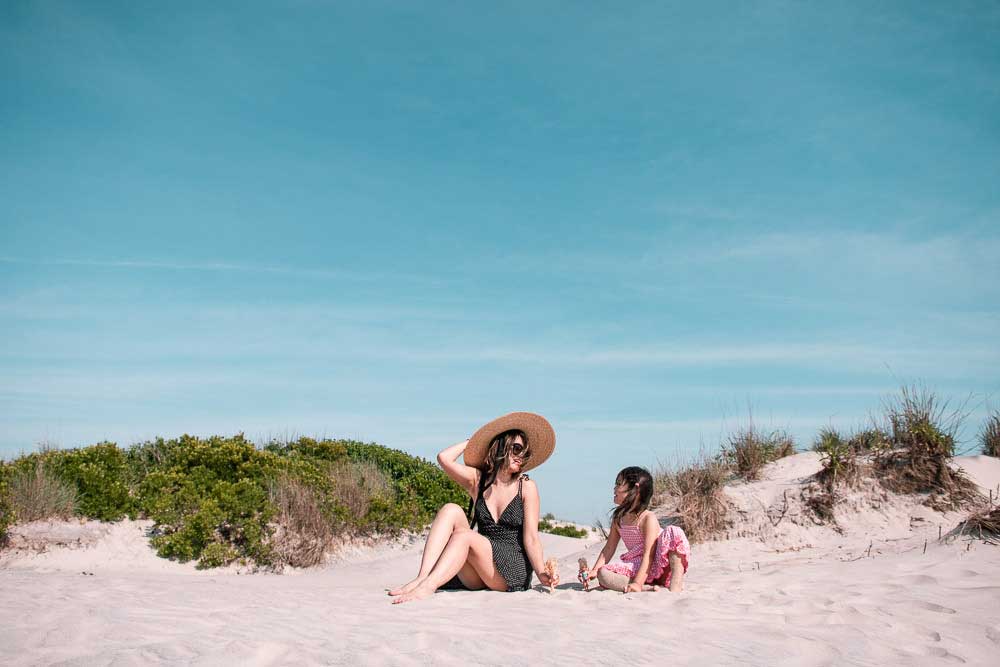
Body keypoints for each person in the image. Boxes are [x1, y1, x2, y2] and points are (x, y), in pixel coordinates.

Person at [388, 412, 560, 604]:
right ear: (501, 447)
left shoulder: (526, 487)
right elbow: (444, 458)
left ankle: (428, 587)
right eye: (517, 448)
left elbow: (532, 538)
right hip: (481, 567)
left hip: (512, 569)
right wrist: (475, 441)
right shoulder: (478, 480)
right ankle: (422, 577)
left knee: (464, 535)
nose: (521, 456)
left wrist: (541, 572)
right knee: (450, 509)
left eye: (525, 452)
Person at [582, 466, 690, 593]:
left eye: (618, 484)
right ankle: (646, 588)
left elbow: (648, 554)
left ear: (635, 490)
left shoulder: (647, 518)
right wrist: (595, 570)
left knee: (673, 532)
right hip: (638, 566)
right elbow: (609, 548)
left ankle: (675, 587)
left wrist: (637, 582)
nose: (614, 488)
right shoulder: (619, 518)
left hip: (660, 563)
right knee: (603, 573)